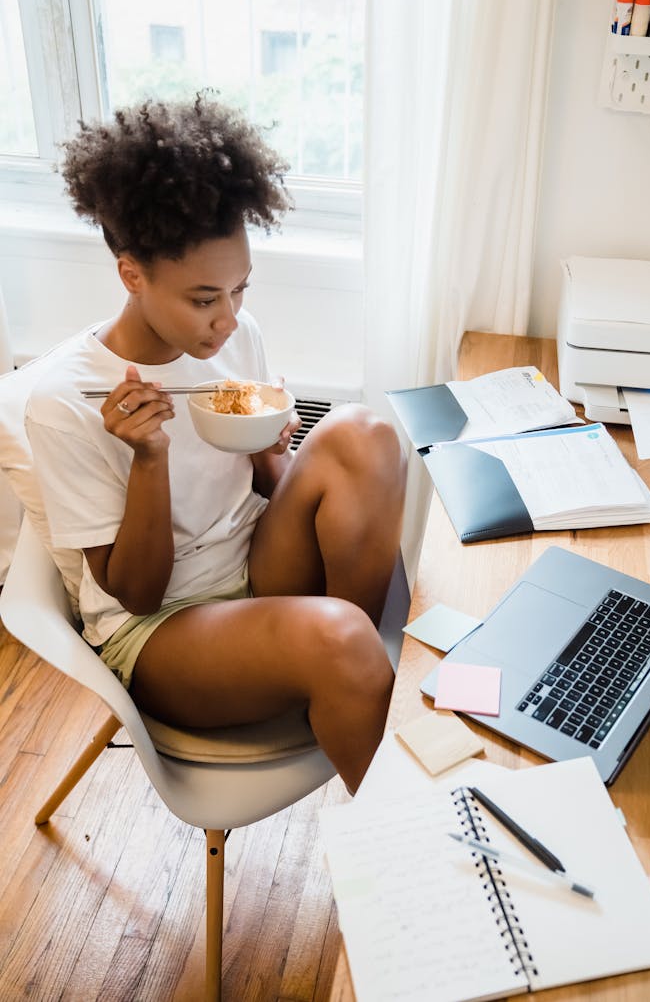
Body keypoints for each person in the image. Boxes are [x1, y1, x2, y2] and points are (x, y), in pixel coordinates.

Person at [25, 94, 406, 794]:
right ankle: (358, 698)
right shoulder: (61, 400)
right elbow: (136, 595)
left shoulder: (238, 335)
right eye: (205, 299)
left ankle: (359, 678)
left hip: (253, 569)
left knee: (367, 432)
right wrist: (149, 457)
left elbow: (265, 486)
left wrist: (270, 455)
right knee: (345, 641)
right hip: (164, 632)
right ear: (132, 274)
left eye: (240, 289)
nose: (229, 319)